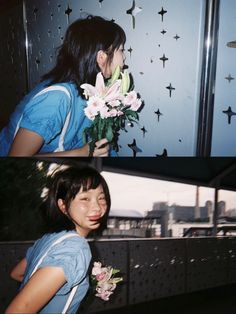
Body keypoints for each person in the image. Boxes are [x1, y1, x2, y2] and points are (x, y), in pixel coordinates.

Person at [0, 15, 126, 156]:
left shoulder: (93, 90)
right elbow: (16, 158)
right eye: (121, 50)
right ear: (101, 57)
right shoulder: (56, 99)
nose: (124, 57)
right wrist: (82, 153)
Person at [5, 166, 111, 313]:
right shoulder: (76, 248)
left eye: (101, 198)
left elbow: (16, 273)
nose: (97, 208)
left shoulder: (49, 239)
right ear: (63, 206)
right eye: (85, 198)